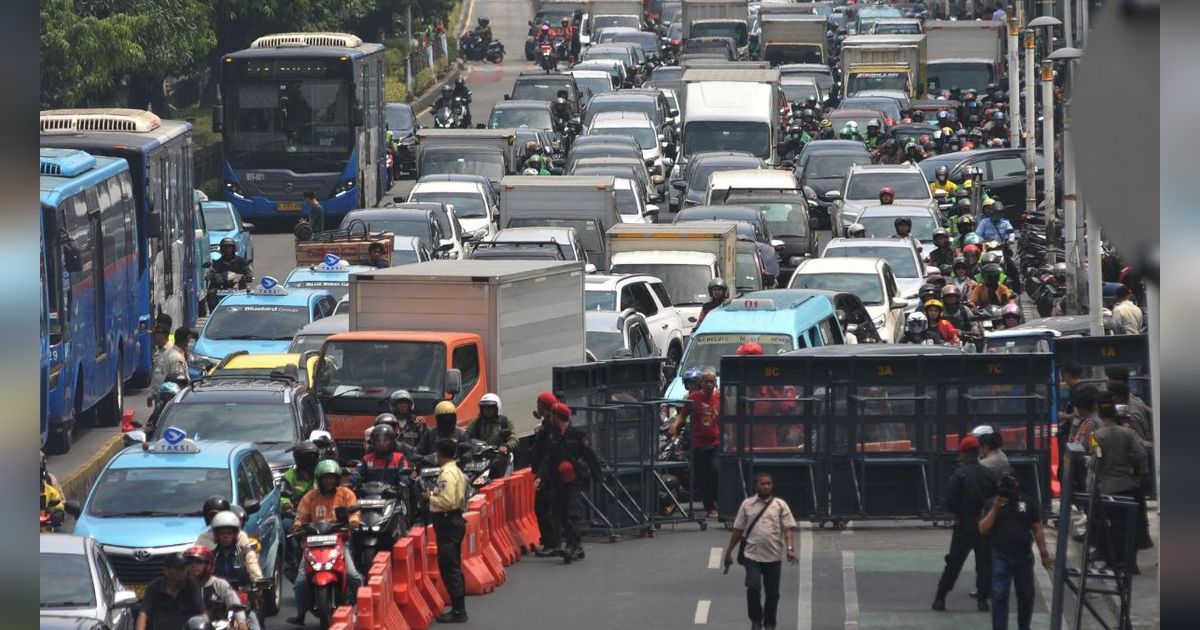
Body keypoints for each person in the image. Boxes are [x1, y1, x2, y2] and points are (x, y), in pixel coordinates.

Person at [288, 459, 361, 627]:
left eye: (332, 478)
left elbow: (354, 511)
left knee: (352, 575)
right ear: (319, 479)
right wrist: (297, 526)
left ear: (337, 479)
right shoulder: (311, 496)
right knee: (300, 582)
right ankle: (300, 614)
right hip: (313, 543)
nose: (328, 481)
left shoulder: (346, 494)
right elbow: (301, 515)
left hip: (339, 541)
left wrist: (354, 521)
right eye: (325, 478)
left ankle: (359, 605)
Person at [721, 473, 798, 630]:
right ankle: (756, 620)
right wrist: (728, 552)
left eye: (769, 483)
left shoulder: (780, 505)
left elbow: (788, 530)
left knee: (772, 593)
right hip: (752, 555)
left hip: (773, 556)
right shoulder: (747, 505)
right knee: (753, 586)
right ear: (756, 486)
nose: (766, 486)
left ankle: (769, 623)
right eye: (763, 484)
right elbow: (737, 530)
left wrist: (790, 549)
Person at [979, 473, 1052, 630]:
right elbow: (983, 529)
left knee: (1026, 597)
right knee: (999, 596)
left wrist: (1044, 553)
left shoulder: (1026, 503)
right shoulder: (992, 503)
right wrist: (995, 509)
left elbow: (1037, 528)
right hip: (1001, 555)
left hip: (1023, 556)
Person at [933, 435, 997, 612]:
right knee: (984, 564)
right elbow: (996, 500)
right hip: (985, 524)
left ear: (965, 454)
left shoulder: (960, 474)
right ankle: (982, 601)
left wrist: (959, 513)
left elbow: (951, 501)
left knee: (954, 562)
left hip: (964, 524)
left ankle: (940, 598)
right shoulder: (989, 475)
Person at [1090, 391, 1150, 571]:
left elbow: (1095, 462)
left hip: (1109, 489)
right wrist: (1141, 476)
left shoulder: (1096, 436)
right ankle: (1131, 563)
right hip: (1130, 487)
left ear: (1100, 414)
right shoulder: (1128, 434)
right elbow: (1141, 455)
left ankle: (1115, 562)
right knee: (1131, 526)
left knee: (1112, 528)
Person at [536, 402, 601, 561]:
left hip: (574, 480)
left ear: (557, 416)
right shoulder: (554, 435)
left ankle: (573, 547)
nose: (550, 418)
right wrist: (540, 476)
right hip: (558, 480)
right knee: (561, 512)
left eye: (552, 415)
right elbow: (549, 459)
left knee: (572, 512)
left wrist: (598, 476)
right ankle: (575, 545)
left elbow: (590, 456)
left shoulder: (577, 435)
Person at [669, 368, 721, 519]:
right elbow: (681, 415)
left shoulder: (720, 398)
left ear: (715, 382)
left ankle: (721, 503)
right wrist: (674, 426)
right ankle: (709, 507)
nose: (709, 384)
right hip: (698, 444)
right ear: (701, 383)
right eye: (706, 381)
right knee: (703, 477)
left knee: (716, 471)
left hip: (716, 443)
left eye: (712, 381)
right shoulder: (693, 398)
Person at [427, 438, 469, 623]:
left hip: (447, 523)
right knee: (453, 566)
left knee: (449, 567)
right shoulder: (458, 471)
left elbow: (447, 501)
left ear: (440, 453)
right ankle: (459, 609)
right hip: (454, 522)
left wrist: (430, 497)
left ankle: (459, 611)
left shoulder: (446, 474)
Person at [183, 545, 255, 630]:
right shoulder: (182, 587)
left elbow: (236, 605)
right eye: (190, 563)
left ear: (208, 564)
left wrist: (241, 622)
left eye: (198, 562)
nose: (193, 566)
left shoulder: (220, 584)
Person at [136, 551, 207, 630]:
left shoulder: (191, 585)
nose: (184, 571)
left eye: (185, 567)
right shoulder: (154, 587)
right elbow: (143, 614)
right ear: (166, 571)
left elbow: (202, 613)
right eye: (179, 568)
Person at [279, 441, 318, 579]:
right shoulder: (290, 476)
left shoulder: (321, 474)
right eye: (308, 457)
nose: (311, 460)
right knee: (285, 525)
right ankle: (291, 562)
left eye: (313, 456)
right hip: (296, 514)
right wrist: (286, 506)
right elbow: (283, 496)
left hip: (319, 512)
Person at [529, 391, 561, 556]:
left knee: (543, 508)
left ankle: (551, 544)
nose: (537, 407)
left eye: (538, 404)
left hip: (547, 475)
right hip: (546, 473)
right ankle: (551, 541)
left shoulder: (550, 426)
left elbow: (548, 454)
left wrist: (541, 475)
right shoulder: (548, 424)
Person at [197, 511, 263, 588]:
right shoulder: (210, 557)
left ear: (235, 534)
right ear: (216, 535)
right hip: (216, 596)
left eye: (229, 533)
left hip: (242, 596)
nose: (225, 536)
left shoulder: (246, 554)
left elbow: (256, 577)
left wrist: (258, 587)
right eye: (222, 533)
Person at [466, 393, 519, 476]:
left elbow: (514, 438)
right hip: (479, 458)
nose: (487, 410)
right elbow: (467, 435)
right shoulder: (477, 422)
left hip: (498, 456)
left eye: (491, 407)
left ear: (497, 408)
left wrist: (506, 446)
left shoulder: (504, 421)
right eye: (485, 407)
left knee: (496, 471)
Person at [148, 323, 187, 401]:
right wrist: (152, 394)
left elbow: (178, 378)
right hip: (160, 396)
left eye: (155, 334)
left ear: (161, 335)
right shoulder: (159, 353)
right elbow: (156, 376)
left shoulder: (174, 355)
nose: (153, 337)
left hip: (170, 397)